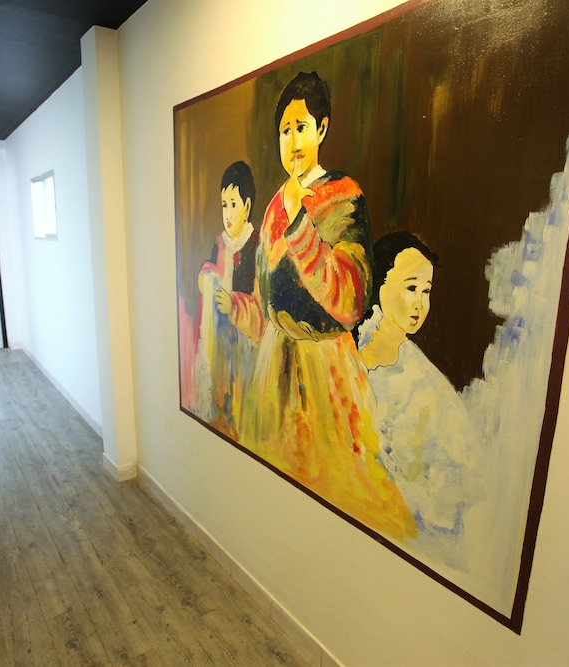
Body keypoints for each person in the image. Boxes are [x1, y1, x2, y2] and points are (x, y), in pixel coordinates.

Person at [237, 72, 415, 542]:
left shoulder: (344, 196)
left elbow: (350, 299)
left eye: (301, 127)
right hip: (273, 366)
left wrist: (300, 221)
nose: (292, 140)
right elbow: (264, 295)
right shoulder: (273, 206)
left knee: (333, 493)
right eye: (284, 130)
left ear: (322, 129)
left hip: (324, 372)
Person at [357, 231, 481, 567]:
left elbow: (454, 486)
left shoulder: (427, 386)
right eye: (410, 287)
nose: (419, 303)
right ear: (380, 284)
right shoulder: (348, 350)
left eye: (426, 292)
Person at [193, 161, 261, 437]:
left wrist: (234, 305)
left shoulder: (256, 246)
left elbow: (260, 305)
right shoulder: (219, 243)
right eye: (224, 205)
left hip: (244, 343)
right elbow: (211, 268)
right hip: (220, 338)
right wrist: (206, 277)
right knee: (219, 394)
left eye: (233, 204)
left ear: (247, 205)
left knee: (241, 402)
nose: (228, 213)